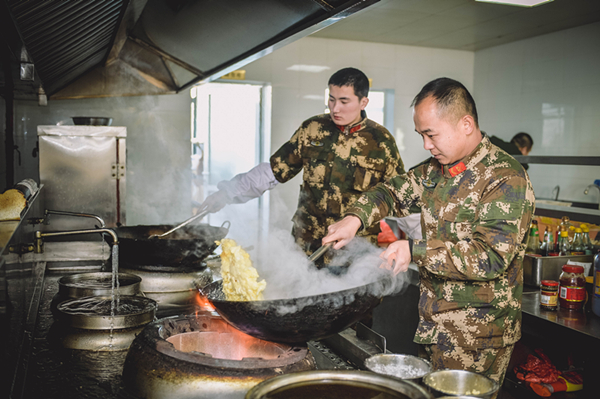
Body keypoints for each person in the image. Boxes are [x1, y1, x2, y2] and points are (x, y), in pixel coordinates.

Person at [323, 77, 535, 386]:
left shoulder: (504, 177)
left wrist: (414, 250)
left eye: (431, 134)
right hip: (434, 326)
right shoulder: (436, 170)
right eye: (421, 134)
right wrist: (355, 218)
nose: (426, 145)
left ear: (465, 124)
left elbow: (490, 257)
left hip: (477, 338)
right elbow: (390, 192)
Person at [199, 67, 405, 261]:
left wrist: (411, 246)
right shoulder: (313, 130)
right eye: (331, 99)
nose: (335, 108)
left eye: (344, 101)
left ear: (363, 102)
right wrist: (226, 194)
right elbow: (273, 171)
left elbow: (401, 195)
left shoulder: (381, 141)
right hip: (307, 247)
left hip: (355, 253)